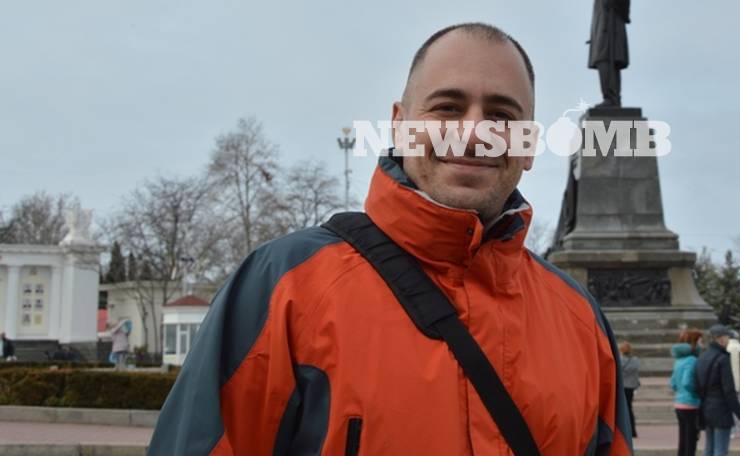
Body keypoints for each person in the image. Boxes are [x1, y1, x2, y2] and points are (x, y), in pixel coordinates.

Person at [149, 23, 633, 455]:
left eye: (503, 115)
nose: (473, 132)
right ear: (400, 125)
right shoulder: (284, 288)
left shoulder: (580, 320)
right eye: (447, 108)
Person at [588, 0, 630, 107]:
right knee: (602, 60)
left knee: (607, 59)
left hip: (610, 23)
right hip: (602, 24)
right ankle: (610, 97)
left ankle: (611, 98)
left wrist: (621, 14)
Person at [695, 324, 740, 456]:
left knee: (709, 448)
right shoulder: (723, 359)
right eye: (727, 337)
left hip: (706, 407)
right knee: (721, 450)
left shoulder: (702, 357)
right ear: (720, 339)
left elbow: (697, 384)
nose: (728, 340)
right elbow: (728, 390)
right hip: (721, 409)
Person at [670, 329, 703, 456]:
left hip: (679, 403)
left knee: (683, 440)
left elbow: (672, 383)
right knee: (691, 441)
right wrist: (697, 394)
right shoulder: (692, 360)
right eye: (700, 341)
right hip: (691, 404)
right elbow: (687, 382)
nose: (702, 344)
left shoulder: (679, 360)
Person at [620, 342, 642, 438]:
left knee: (623, 409)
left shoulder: (620, 361)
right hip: (631, 387)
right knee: (629, 408)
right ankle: (633, 430)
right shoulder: (636, 361)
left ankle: (624, 430)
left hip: (622, 387)